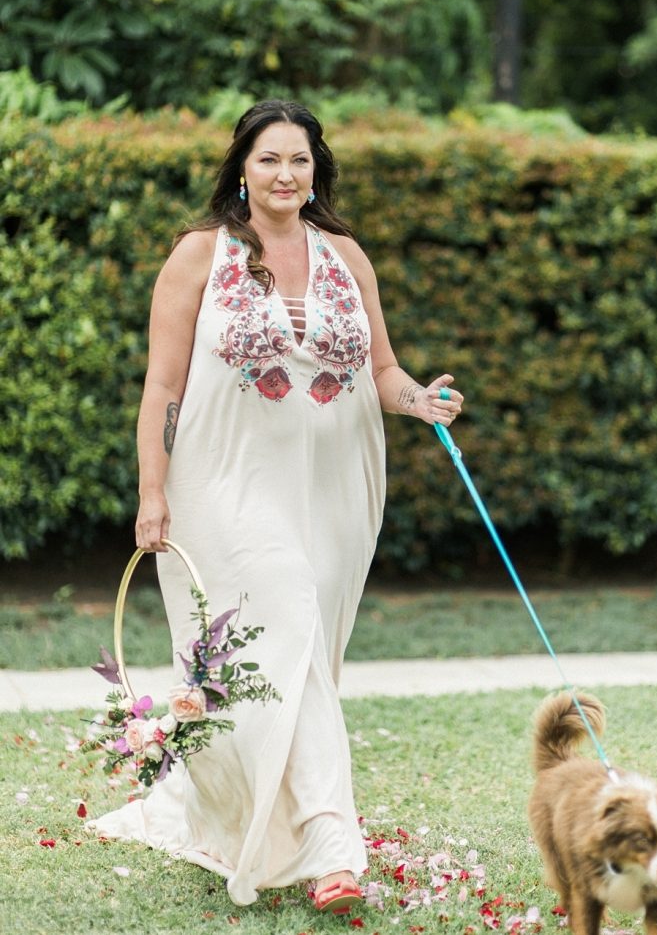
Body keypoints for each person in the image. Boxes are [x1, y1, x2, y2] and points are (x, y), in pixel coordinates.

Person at [88, 99, 463, 913]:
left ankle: (241, 810)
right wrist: (152, 491)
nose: (285, 174)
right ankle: (333, 845)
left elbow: (383, 370)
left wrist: (421, 399)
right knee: (284, 618)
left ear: (316, 168)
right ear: (243, 168)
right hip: (222, 485)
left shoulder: (346, 257)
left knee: (294, 660)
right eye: (269, 160)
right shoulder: (198, 255)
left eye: (299, 159)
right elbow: (162, 387)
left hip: (334, 491)